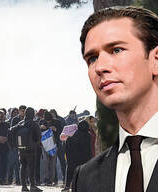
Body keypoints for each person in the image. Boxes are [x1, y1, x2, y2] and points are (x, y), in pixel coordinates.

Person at [72, 6, 158, 192]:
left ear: (155, 60)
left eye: (116, 50)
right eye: (92, 58)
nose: (100, 67)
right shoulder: (85, 177)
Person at [9, 107, 42, 192]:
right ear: (33, 115)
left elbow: (11, 131)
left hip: (21, 149)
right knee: (31, 168)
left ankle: (24, 186)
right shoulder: (34, 124)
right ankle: (33, 186)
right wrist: (35, 144)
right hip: (32, 149)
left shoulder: (20, 123)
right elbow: (38, 137)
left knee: (23, 167)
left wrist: (14, 145)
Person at [63, 120, 92, 191]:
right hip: (84, 160)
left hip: (73, 160)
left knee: (70, 172)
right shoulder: (88, 136)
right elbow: (88, 149)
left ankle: (67, 186)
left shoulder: (73, 135)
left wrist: (69, 159)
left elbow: (67, 146)